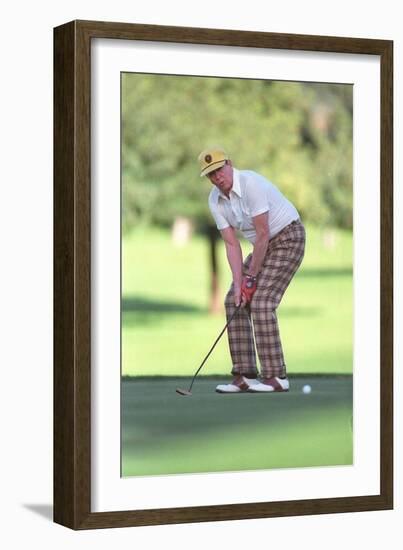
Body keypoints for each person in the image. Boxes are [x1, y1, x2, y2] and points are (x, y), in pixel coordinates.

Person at [198, 147, 306, 393]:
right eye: (210, 174)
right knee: (233, 300)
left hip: (288, 237)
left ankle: (276, 377)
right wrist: (239, 283)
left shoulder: (250, 184)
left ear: (229, 163)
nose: (217, 177)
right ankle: (245, 375)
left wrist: (251, 278)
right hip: (262, 245)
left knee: (262, 301)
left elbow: (264, 232)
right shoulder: (215, 200)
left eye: (219, 170)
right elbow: (231, 243)